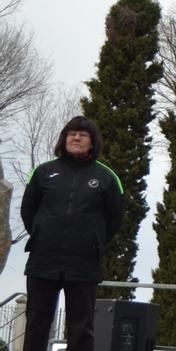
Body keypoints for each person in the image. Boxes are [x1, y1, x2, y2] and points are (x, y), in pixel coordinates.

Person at [21, 116, 123, 351]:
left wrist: (93, 242)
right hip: (43, 260)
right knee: (37, 322)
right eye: (72, 133)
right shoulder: (43, 172)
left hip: (84, 262)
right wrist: (42, 234)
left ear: (92, 142)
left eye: (83, 134)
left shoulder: (107, 177)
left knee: (82, 325)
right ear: (63, 139)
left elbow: (114, 219)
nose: (77, 138)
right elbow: (29, 210)